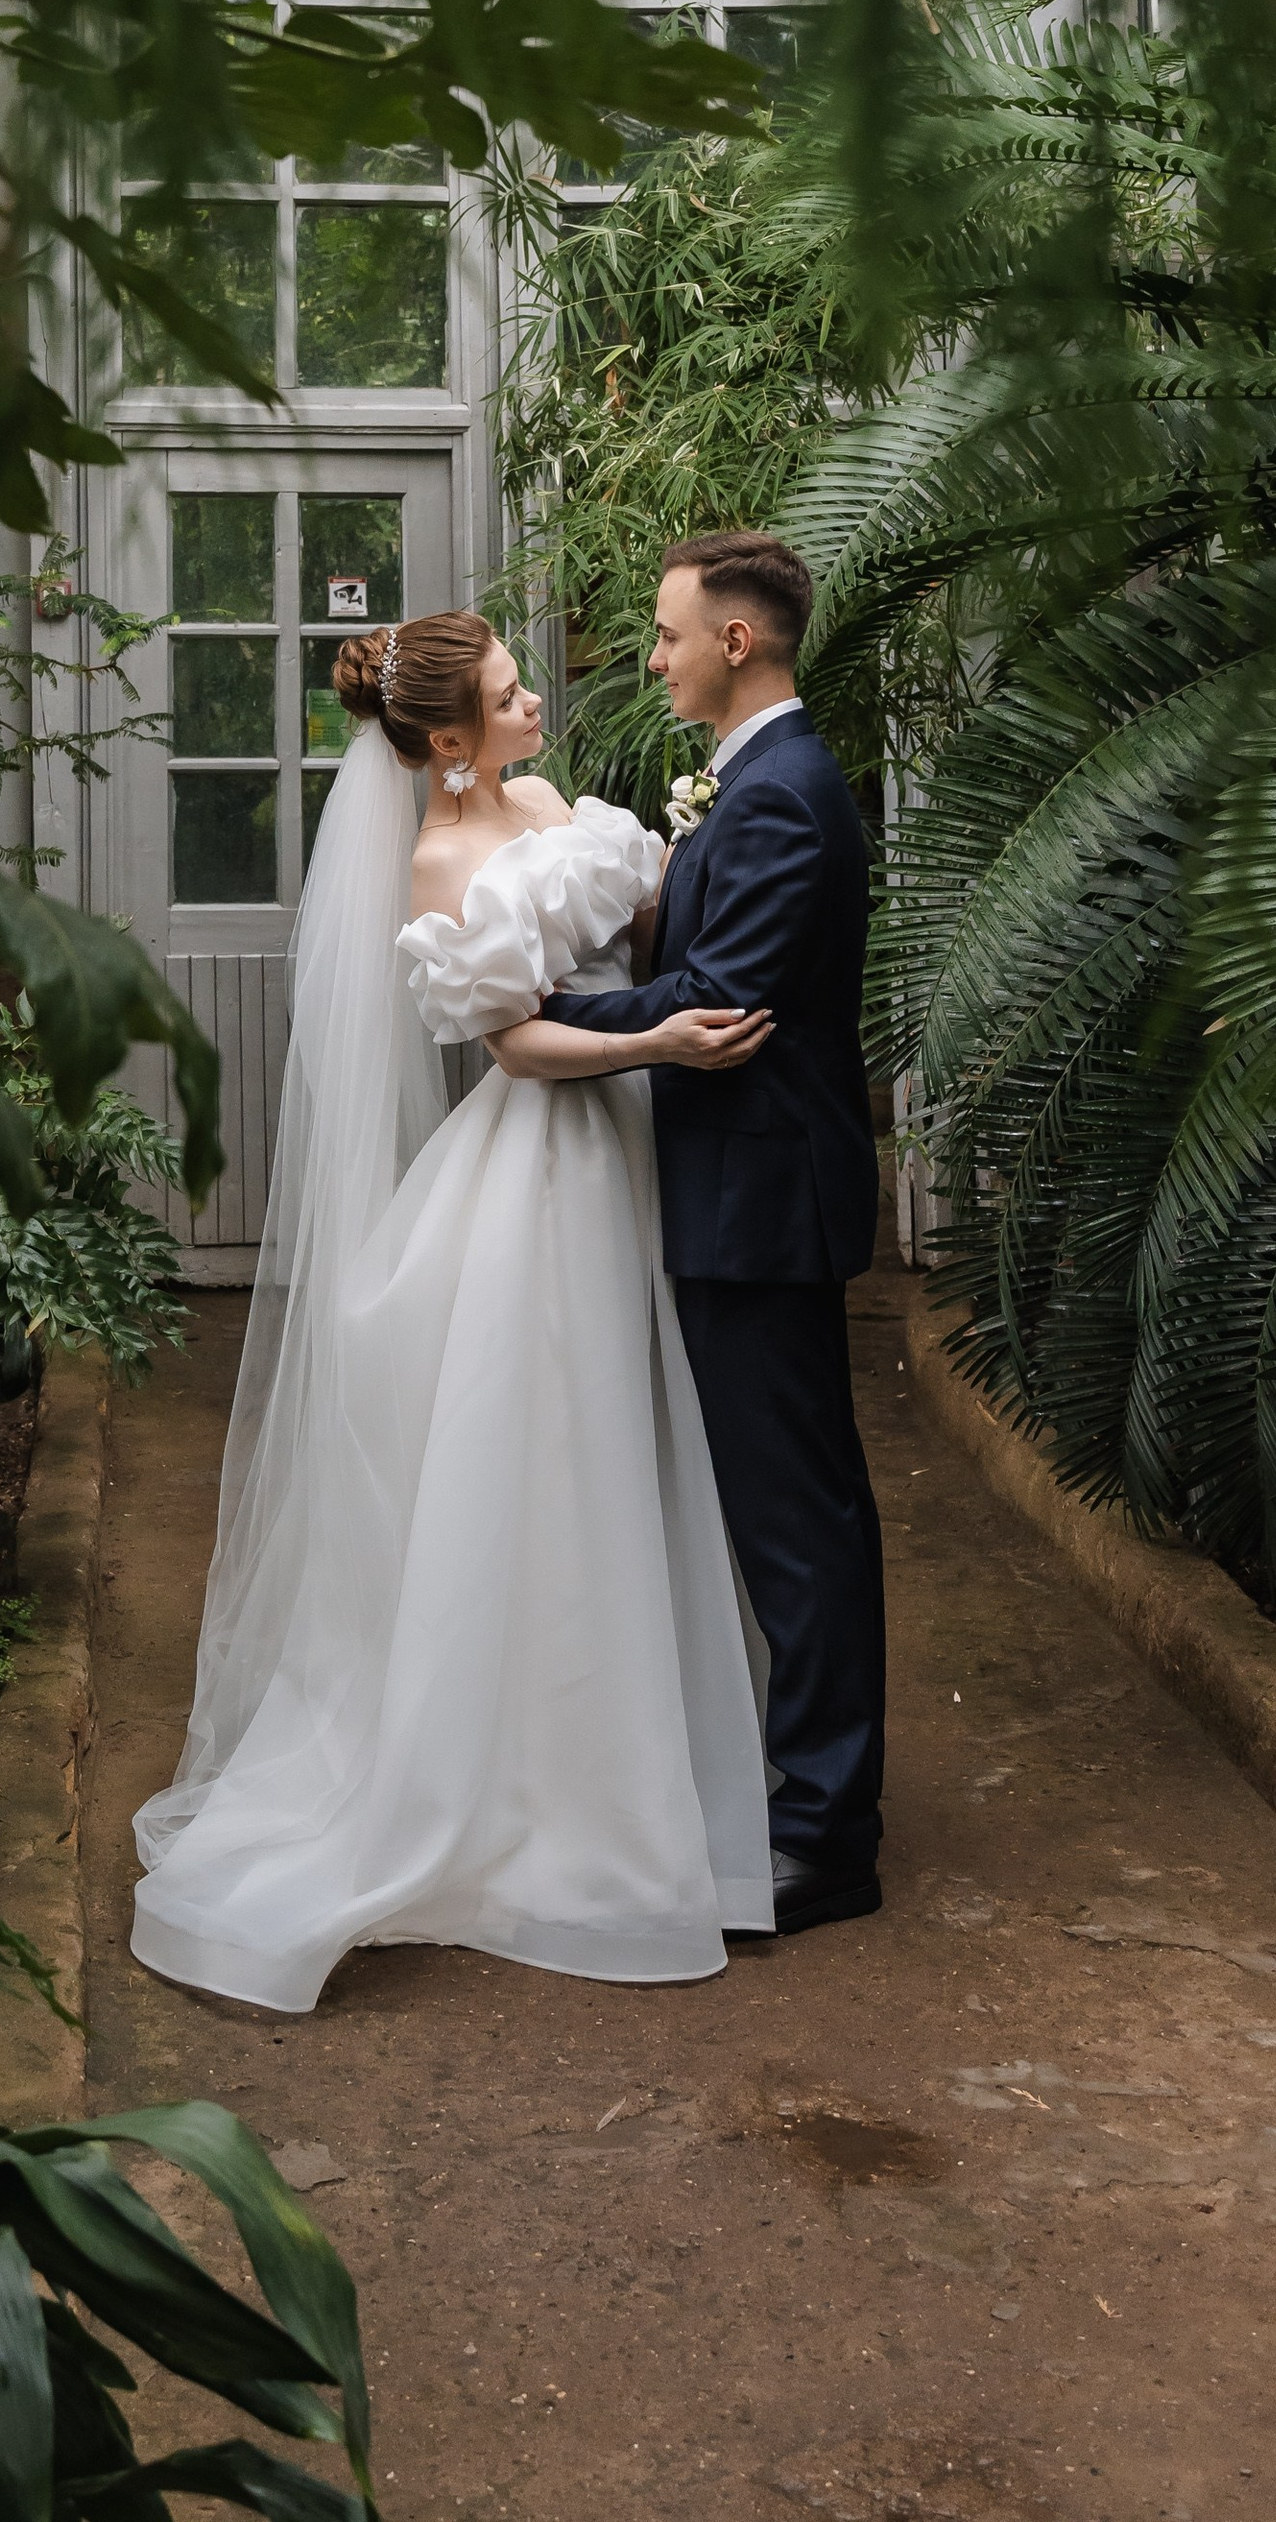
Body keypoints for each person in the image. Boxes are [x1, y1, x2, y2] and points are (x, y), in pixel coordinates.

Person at [129, 610, 777, 2013]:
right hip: (548, 1165)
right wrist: (661, 1041)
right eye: (508, 694)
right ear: (447, 742)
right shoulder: (439, 858)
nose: (534, 702)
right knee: (555, 1451)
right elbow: (516, 1044)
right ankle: (536, 1785)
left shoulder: (544, 802)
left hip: (630, 1152)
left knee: (629, 1440)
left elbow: (642, 923)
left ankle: (648, 1759)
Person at [516, 532, 885, 1935]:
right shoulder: (754, 781)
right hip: (736, 1195)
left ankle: (826, 1839)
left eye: (669, 634)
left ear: (738, 641)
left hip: (762, 1202)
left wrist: (536, 1020)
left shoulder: (784, 793)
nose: (655, 656)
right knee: (782, 1513)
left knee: (799, 1524)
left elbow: (719, 998)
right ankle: (800, 1797)